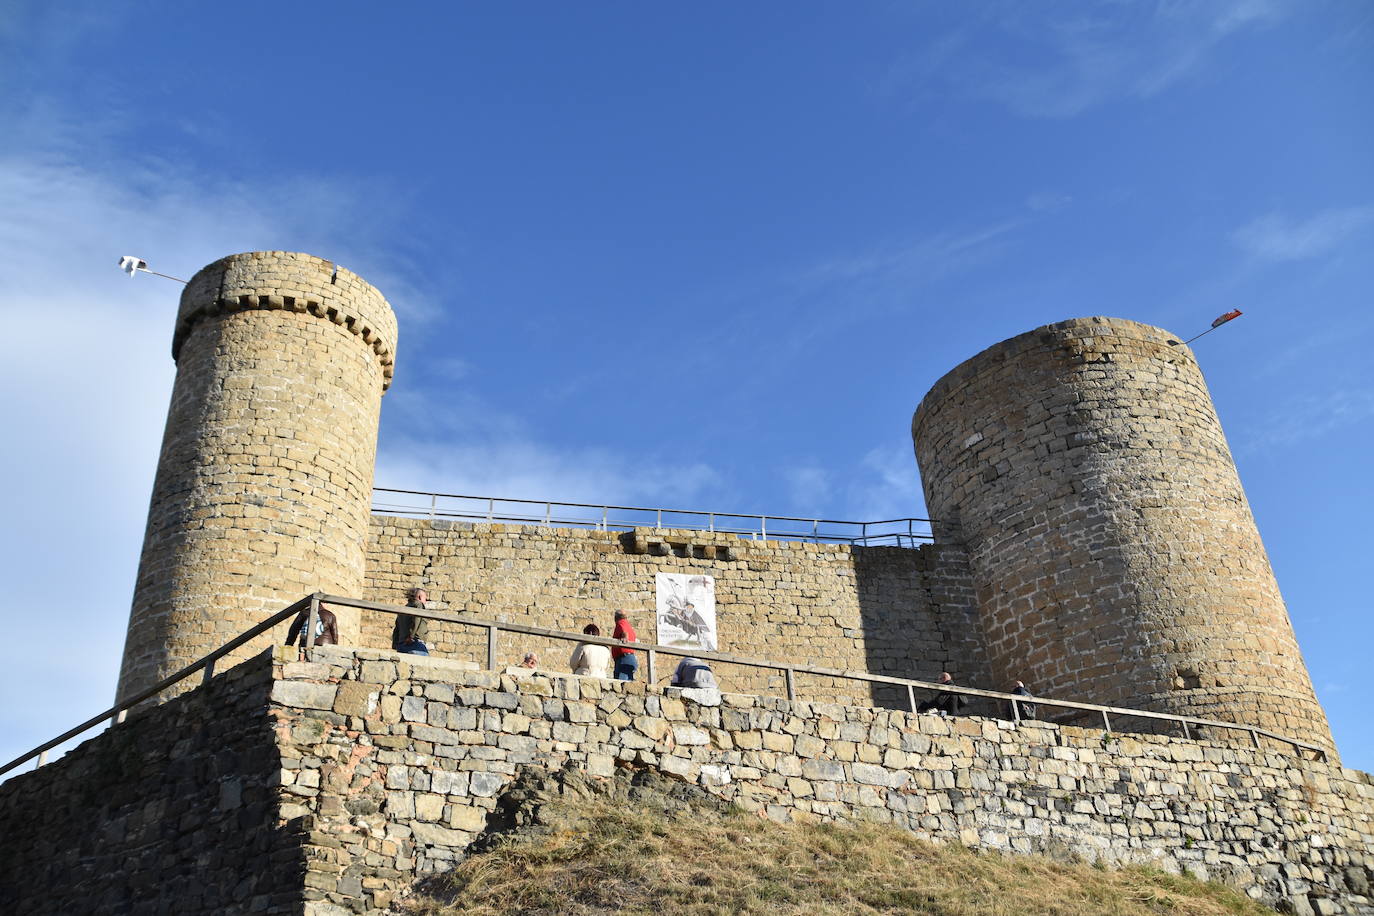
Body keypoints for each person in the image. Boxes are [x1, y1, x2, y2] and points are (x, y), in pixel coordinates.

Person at [393, 587, 431, 656]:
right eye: (425, 599)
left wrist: (395, 644)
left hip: (402, 645)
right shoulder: (419, 604)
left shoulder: (403, 609)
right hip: (414, 643)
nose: (425, 601)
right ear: (420, 597)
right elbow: (417, 619)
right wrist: (411, 636)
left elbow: (396, 629)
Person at [611, 610, 638, 681]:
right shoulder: (628, 625)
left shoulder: (621, 622)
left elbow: (624, 632)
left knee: (621, 684)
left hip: (624, 659)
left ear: (616, 617)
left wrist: (625, 637)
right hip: (628, 658)